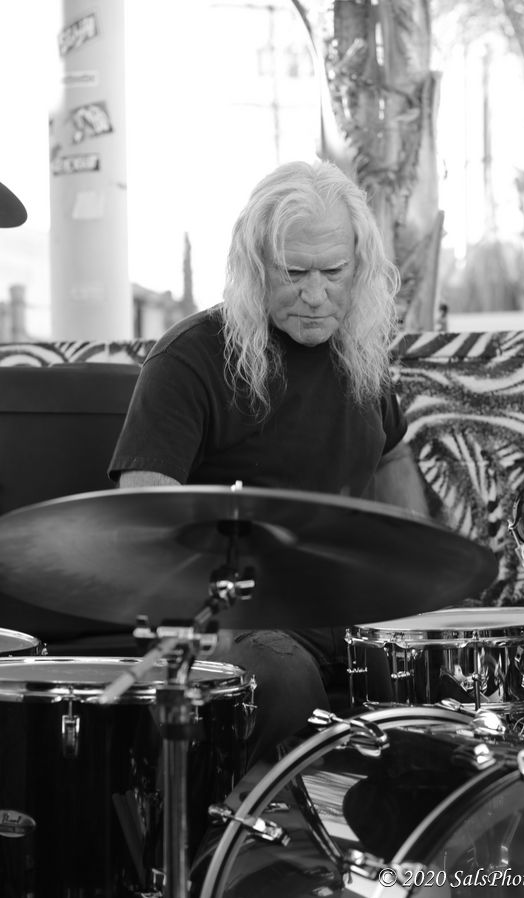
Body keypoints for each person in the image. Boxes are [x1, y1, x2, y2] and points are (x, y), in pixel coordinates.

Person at [109, 159, 428, 765]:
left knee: (452, 688)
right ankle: (240, 820)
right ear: (255, 267)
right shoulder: (190, 360)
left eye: (334, 271)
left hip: (350, 613)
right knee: (279, 679)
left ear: (359, 267)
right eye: (293, 272)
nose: (316, 293)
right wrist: (203, 620)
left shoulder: (360, 353)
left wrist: (416, 564)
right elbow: (143, 519)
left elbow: (392, 452)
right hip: (244, 621)